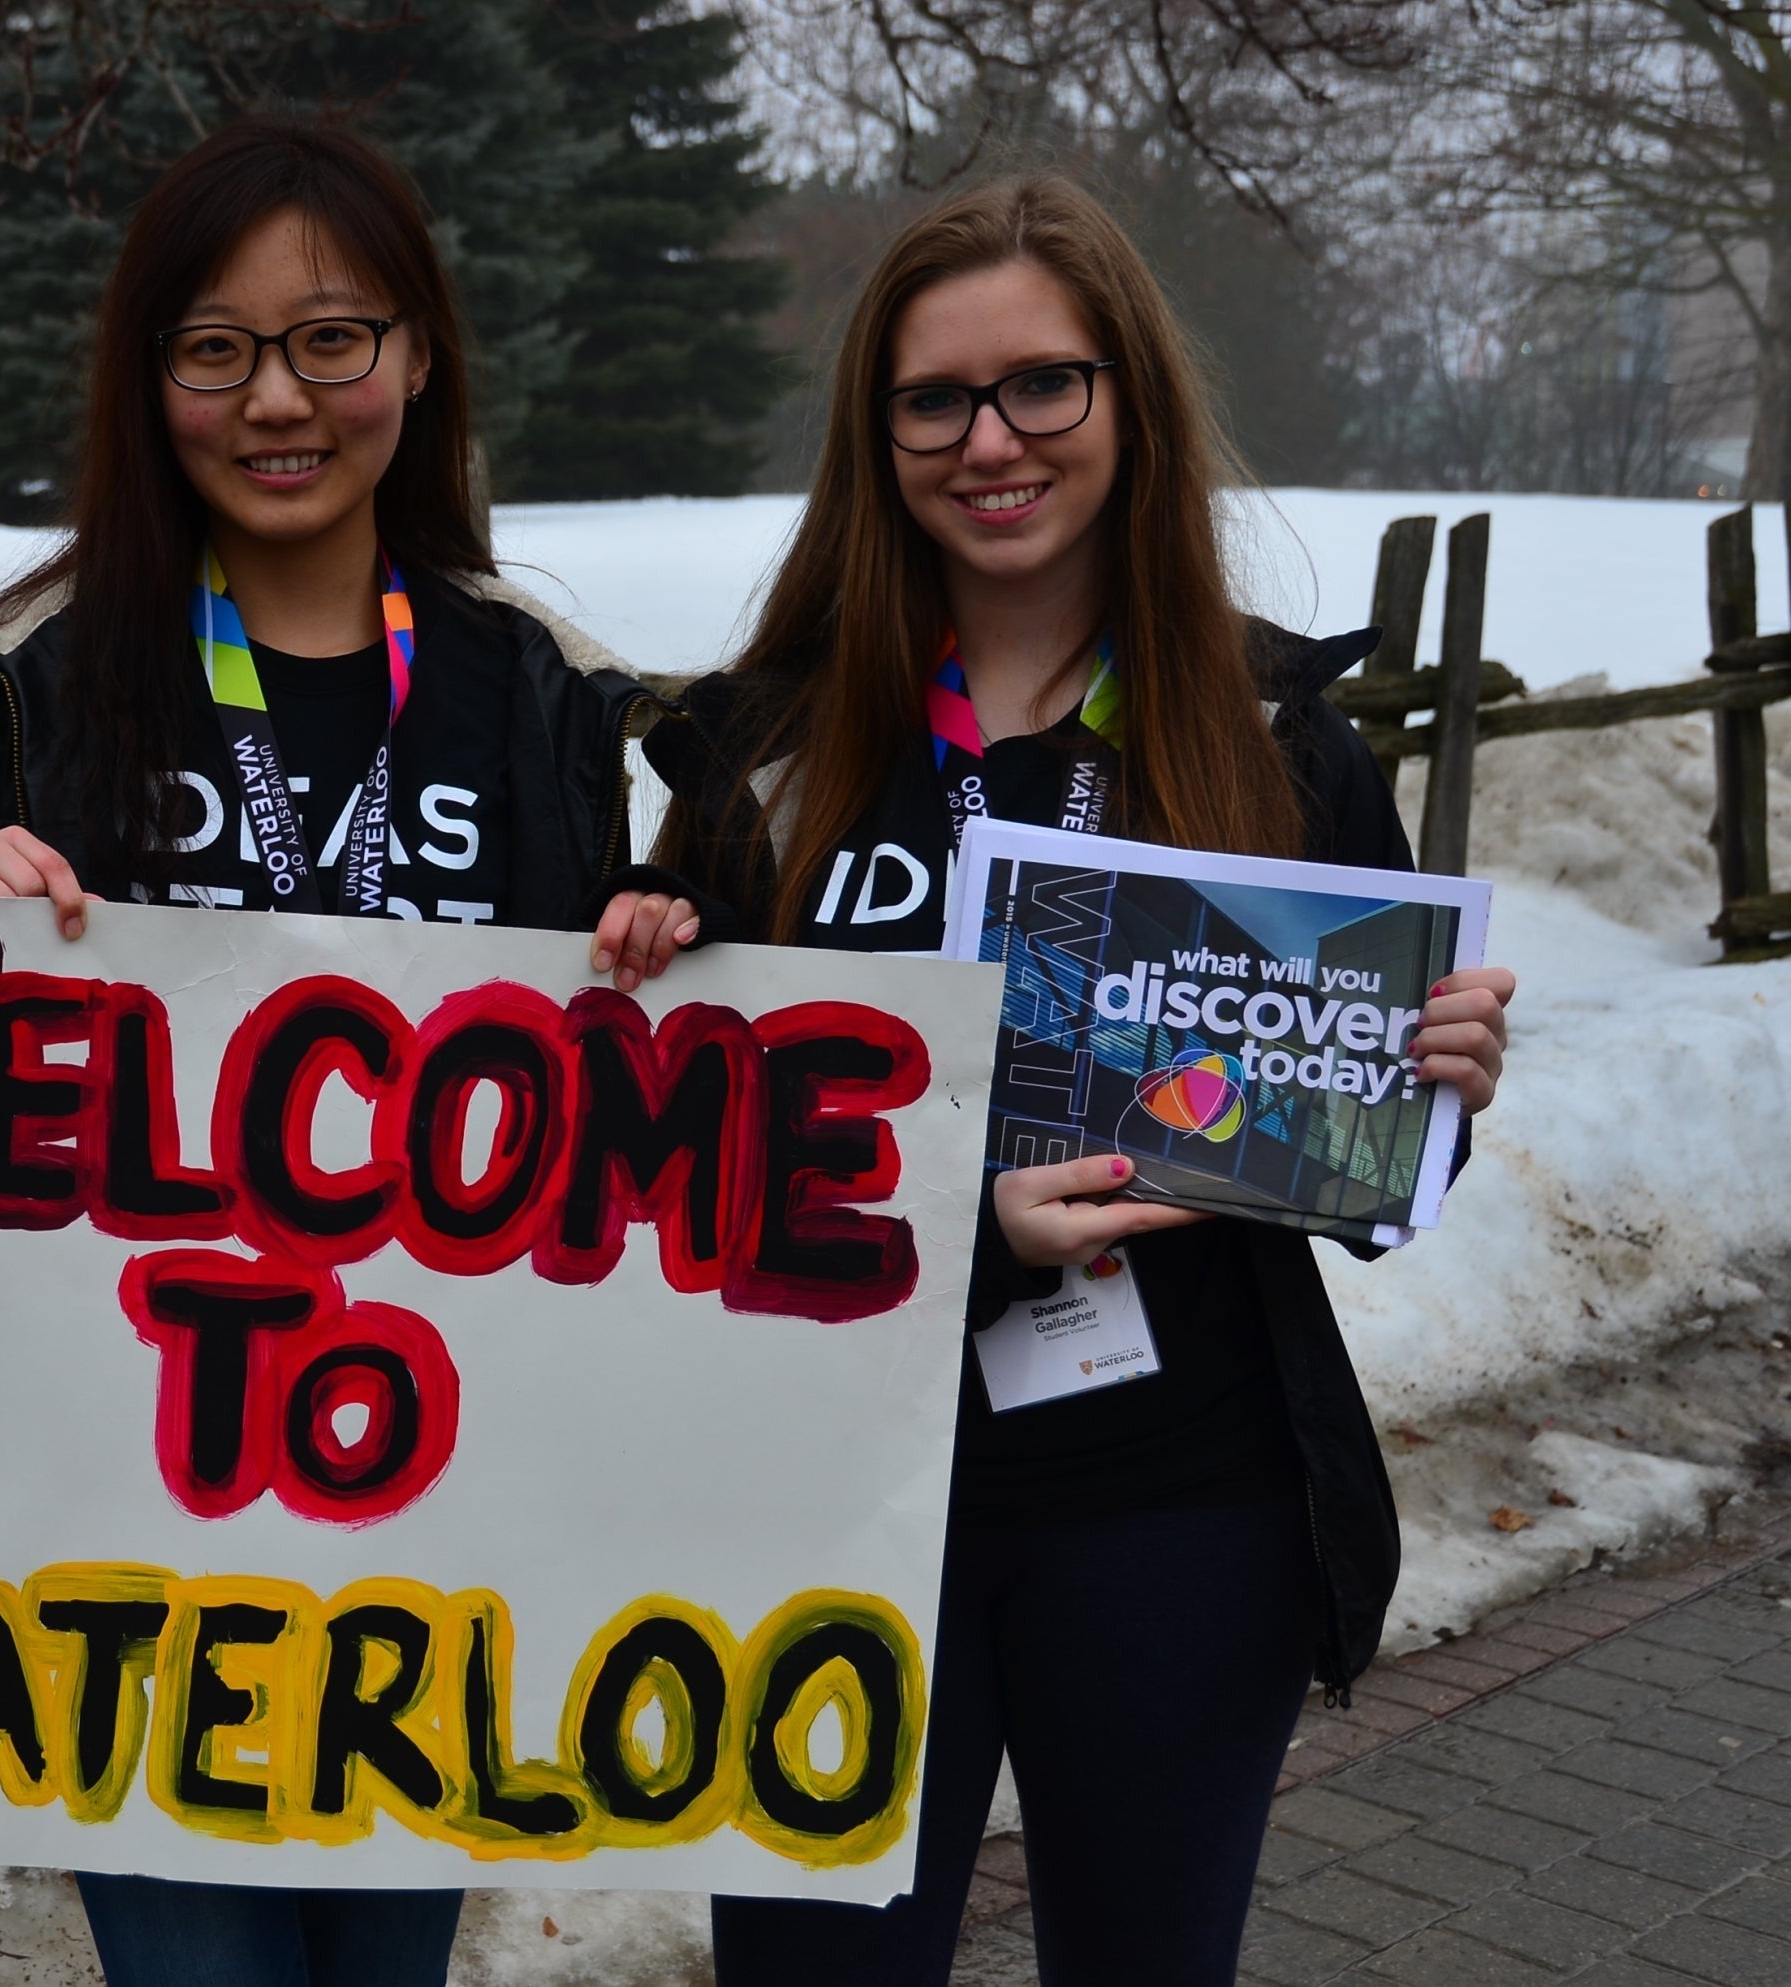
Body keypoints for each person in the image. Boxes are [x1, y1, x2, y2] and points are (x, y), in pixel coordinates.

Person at [641, 177, 1518, 1982]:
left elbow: (1350, 1177)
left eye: (1044, 384)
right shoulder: (771, 755)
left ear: (1128, 399)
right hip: (840, 1510)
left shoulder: (1271, 745)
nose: (991, 441)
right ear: (874, 434)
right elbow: (685, 1181)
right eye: (934, 400)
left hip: (1180, 1515)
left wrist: (1422, 1087)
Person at [0, 115, 696, 1987]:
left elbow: (616, 1118)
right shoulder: (29, 690)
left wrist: (660, 956)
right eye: (215, 349)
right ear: (149, 376)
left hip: (438, 1516)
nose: (280, 398)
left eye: (333, 338)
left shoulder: (538, 693)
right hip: (132, 1531)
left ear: (419, 357)